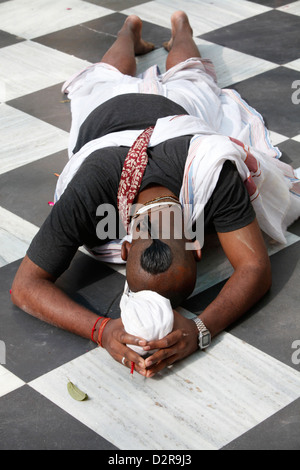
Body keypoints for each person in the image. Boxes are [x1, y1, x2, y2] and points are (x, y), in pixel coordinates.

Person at [11, 12, 299, 378]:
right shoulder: (98, 183)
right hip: (136, 116)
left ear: (126, 247)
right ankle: (144, 30)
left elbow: (256, 269)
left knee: (175, 78)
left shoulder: (209, 170)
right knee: (172, 78)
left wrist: (195, 331)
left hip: (137, 114)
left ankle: (168, 28)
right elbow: (24, 287)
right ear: (196, 244)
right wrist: (109, 330)